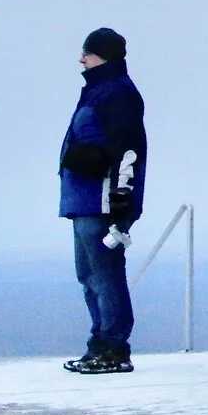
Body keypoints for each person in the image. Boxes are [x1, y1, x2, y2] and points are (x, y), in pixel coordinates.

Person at [57, 27, 146, 375]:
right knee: (90, 275)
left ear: (102, 55)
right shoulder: (99, 91)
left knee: (105, 275)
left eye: (87, 52)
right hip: (84, 201)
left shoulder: (117, 93)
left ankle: (113, 346)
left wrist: (120, 198)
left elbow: (125, 150)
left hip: (101, 203)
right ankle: (100, 343)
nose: (81, 59)